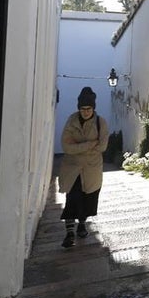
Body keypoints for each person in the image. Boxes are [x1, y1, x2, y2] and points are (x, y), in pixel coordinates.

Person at [59, 86, 108, 248]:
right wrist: (89, 145)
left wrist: (78, 147)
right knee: (72, 198)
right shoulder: (71, 121)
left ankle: (82, 225)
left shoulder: (100, 123)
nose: (85, 112)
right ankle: (69, 233)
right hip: (72, 169)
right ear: (78, 108)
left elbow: (102, 146)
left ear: (93, 108)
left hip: (91, 169)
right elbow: (66, 146)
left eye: (88, 109)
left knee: (88, 199)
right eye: (82, 109)